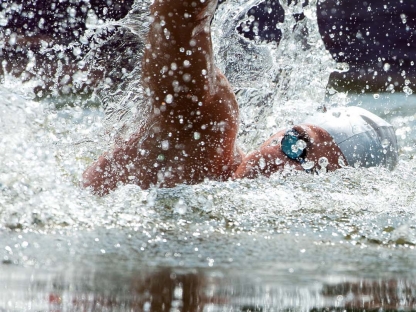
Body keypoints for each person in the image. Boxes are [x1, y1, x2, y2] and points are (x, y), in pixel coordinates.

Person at [82, 0, 398, 196]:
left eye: (312, 171)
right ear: (279, 132)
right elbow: (181, 18)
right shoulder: (206, 132)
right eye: (294, 143)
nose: (286, 164)